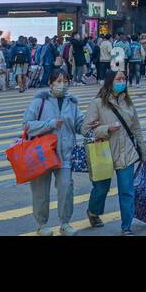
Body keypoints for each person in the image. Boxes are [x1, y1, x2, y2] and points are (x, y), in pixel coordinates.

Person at [84, 69, 146, 234]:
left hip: (126, 153)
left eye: (124, 78)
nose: (122, 82)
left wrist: (143, 151)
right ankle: (93, 212)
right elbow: (85, 130)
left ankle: (126, 227)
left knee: (127, 191)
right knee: (101, 189)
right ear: (110, 81)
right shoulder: (97, 103)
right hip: (103, 152)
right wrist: (106, 129)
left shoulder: (128, 102)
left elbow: (136, 128)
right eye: (119, 79)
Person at [23, 68, 84, 235]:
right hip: (41, 155)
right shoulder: (39, 102)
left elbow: (80, 124)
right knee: (40, 193)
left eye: (65, 81)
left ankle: (65, 223)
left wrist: (92, 126)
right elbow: (27, 126)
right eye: (58, 81)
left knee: (66, 188)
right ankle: (42, 225)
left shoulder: (72, 103)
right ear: (50, 83)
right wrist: (49, 124)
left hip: (64, 154)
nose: (62, 85)